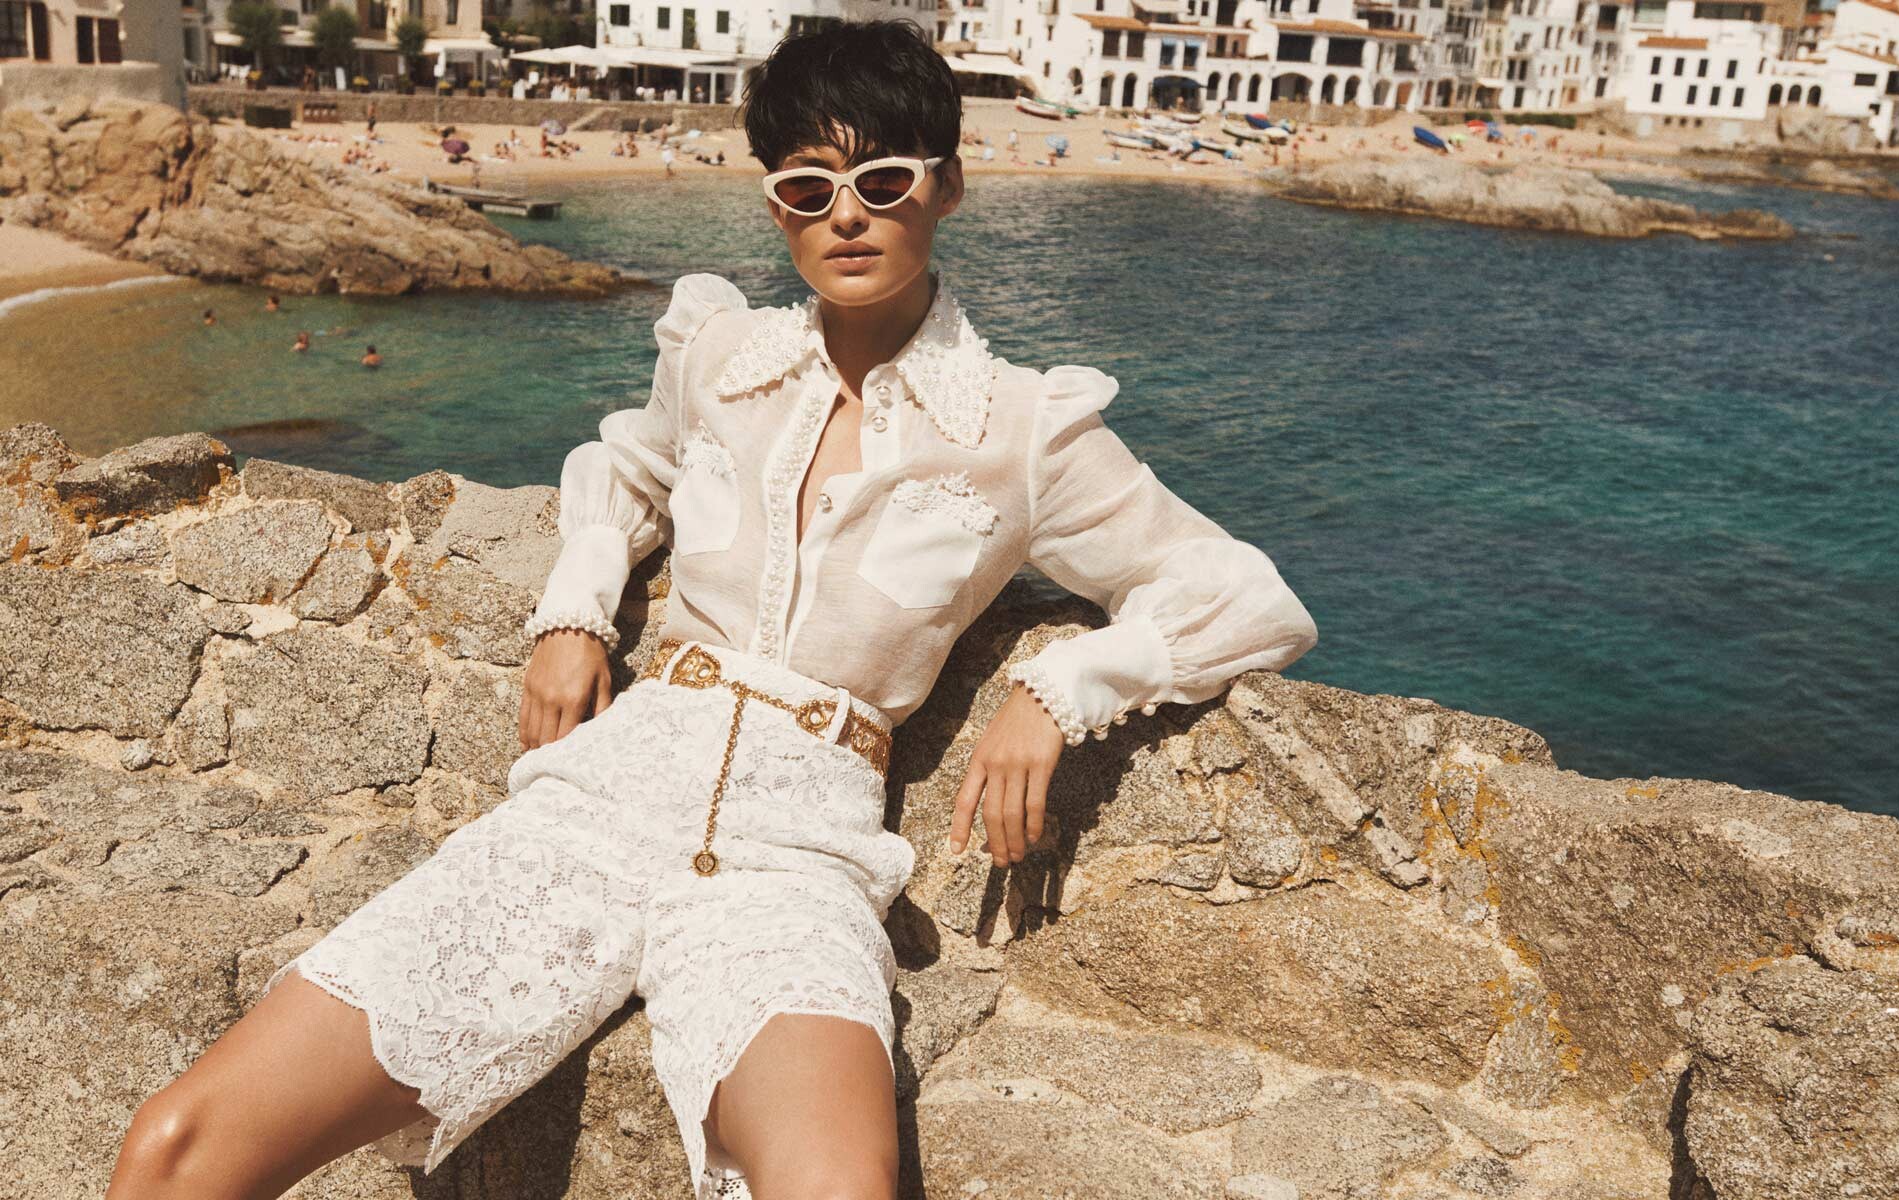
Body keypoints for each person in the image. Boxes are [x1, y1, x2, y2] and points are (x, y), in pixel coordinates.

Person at [103, 19, 1317, 1200]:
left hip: (797, 856)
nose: (846, 214)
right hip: (597, 802)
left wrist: (1060, 691)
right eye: (807, 188)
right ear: (777, 208)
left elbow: (1243, 598)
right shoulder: (720, 356)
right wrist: (575, 609)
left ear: (945, 187)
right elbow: (625, 468)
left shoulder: (1024, 430)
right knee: (176, 1144)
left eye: (883, 181)